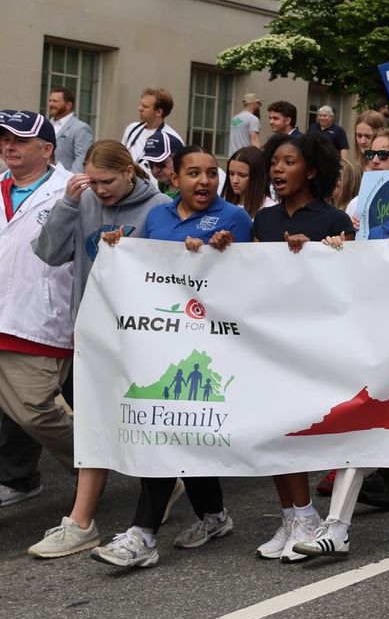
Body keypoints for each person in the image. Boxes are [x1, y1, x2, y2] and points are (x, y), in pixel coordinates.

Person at [87, 147, 254, 568]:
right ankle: (214, 515)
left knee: (169, 428)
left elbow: (254, 278)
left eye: (211, 174)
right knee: (180, 430)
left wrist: (225, 252)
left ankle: (143, 535)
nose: (204, 181)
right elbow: (142, 265)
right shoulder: (158, 216)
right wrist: (117, 246)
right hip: (161, 340)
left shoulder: (234, 218)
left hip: (207, 344)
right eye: (193, 173)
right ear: (174, 179)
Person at [292, 157, 389, 560]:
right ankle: (337, 526)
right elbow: (358, 285)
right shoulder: (375, 232)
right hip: (380, 347)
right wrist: (338, 253)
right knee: (361, 425)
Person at [23, 139, 167, 557]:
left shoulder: (157, 206)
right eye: (95, 181)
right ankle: (81, 522)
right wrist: (69, 205)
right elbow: (48, 254)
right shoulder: (82, 200)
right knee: (93, 425)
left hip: (143, 336)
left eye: (108, 181)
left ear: (129, 171)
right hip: (91, 334)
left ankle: (180, 507)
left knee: (144, 423)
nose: (101, 190)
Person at [249, 133, 352, 561]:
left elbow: (350, 280)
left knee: (296, 430)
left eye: (288, 161)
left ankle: (308, 515)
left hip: (314, 341)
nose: (277, 169)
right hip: (266, 338)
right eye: (273, 162)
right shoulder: (265, 220)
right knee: (272, 430)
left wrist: (324, 253)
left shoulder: (333, 221)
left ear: (310, 170)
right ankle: (292, 516)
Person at [0, 111, 76, 535]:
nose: (9, 146)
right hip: (2, 314)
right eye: (4, 139)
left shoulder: (72, 188)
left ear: (47, 149)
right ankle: (18, 478)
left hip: (37, 317)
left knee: (36, 410)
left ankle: (110, 464)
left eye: (20, 140)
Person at [120, 87, 183, 159]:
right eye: (141, 104)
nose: (139, 108)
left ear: (159, 112)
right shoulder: (132, 128)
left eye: (145, 106)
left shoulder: (172, 138)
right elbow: (121, 156)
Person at [46, 86, 94, 172]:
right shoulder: (46, 125)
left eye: (55, 101)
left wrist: (70, 180)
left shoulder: (81, 128)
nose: (51, 104)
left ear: (68, 105)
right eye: (50, 101)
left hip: (66, 181)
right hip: (44, 179)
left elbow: (82, 158)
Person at [223, 146, 270, 217]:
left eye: (242, 175)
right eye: (231, 174)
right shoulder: (223, 204)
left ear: (256, 176)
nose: (234, 180)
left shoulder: (269, 209)